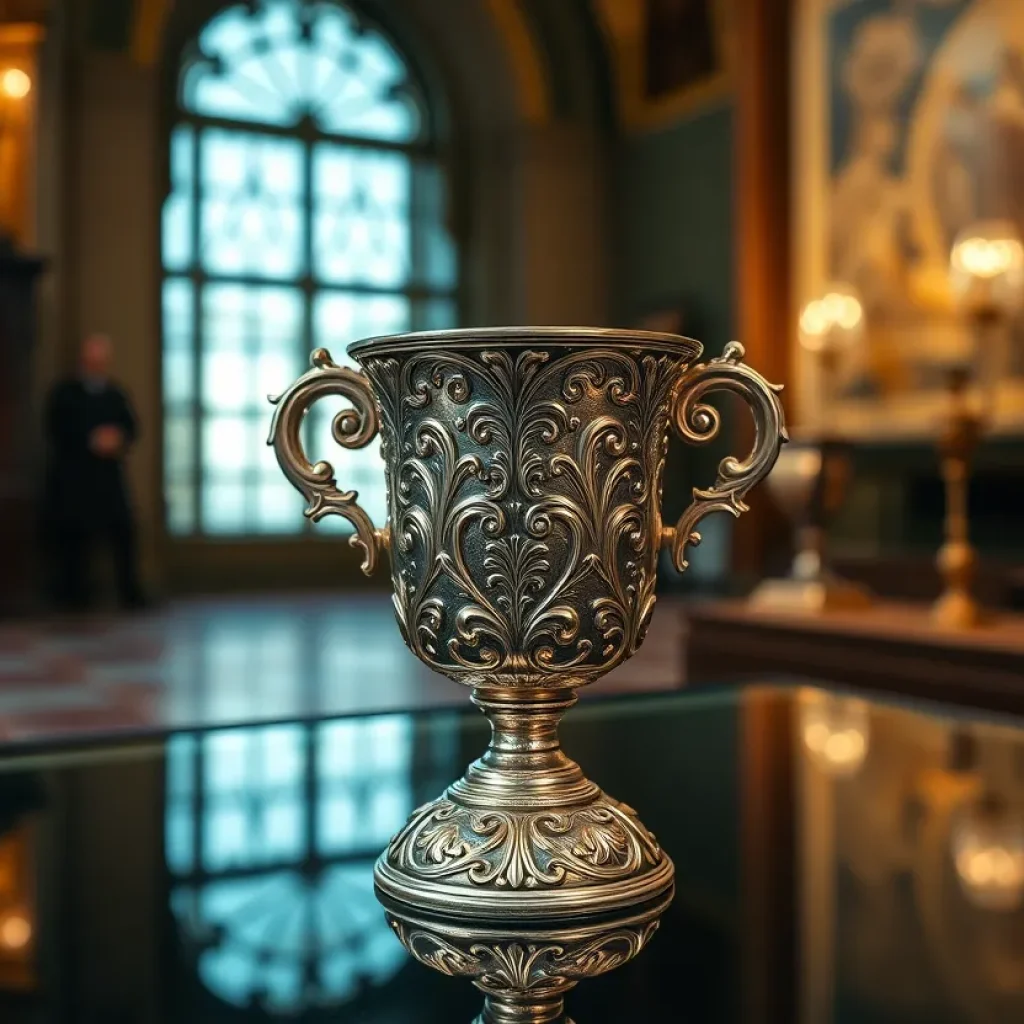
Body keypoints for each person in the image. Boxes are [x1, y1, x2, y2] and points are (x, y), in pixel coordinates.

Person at [42, 334, 146, 611]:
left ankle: (130, 593)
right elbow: (56, 428)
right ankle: (73, 596)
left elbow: (131, 427)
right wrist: (90, 440)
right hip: (74, 480)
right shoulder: (65, 393)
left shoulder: (115, 393)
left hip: (108, 479)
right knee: (73, 539)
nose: (96, 365)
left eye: (101, 360)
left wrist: (117, 438)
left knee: (124, 533)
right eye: (92, 359)